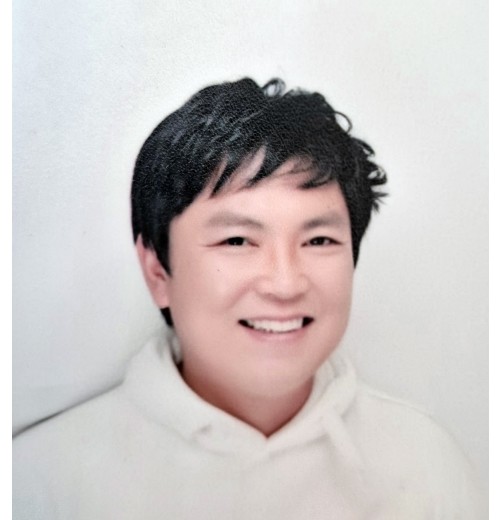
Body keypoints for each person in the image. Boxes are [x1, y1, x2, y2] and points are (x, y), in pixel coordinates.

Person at [13, 78, 483, 519]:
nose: (285, 284)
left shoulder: (426, 466)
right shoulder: (40, 481)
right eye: (237, 240)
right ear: (158, 271)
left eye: (319, 240)